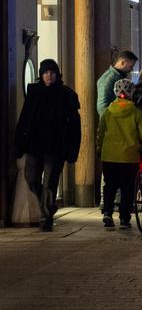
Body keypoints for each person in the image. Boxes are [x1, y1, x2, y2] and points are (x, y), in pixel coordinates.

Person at [14, 59, 81, 231]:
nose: (48, 75)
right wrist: (19, 144)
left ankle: (46, 217)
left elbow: (74, 125)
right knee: (31, 179)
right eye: (45, 72)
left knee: (50, 183)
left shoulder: (66, 95)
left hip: (56, 147)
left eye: (51, 72)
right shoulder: (34, 93)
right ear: (41, 75)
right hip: (34, 145)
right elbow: (25, 119)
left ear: (57, 74)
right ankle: (49, 206)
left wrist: (73, 150)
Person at [97, 77, 142, 230]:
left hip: (109, 156)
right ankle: (124, 218)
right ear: (132, 93)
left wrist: (99, 149)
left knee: (110, 185)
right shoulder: (136, 113)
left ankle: (108, 214)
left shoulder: (107, 112)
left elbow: (101, 133)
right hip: (129, 156)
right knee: (127, 187)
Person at [96, 51, 138, 116]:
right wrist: (111, 121)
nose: (132, 69)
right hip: (113, 122)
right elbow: (102, 105)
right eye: (131, 66)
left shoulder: (118, 77)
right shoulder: (109, 78)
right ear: (122, 62)